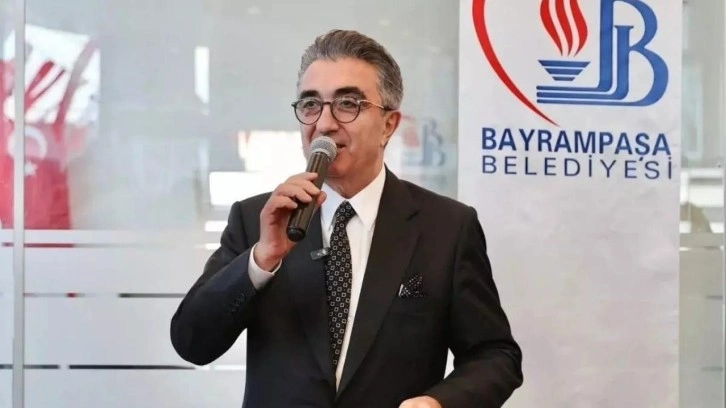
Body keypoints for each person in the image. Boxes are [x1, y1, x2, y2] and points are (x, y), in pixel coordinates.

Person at [170, 29, 523, 408]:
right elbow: (193, 343)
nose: (324, 123)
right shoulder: (258, 218)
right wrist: (262, 259)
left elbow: (495, 356)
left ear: (388, 124)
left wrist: (439, 403)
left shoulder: (447, 228)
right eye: (311, 105)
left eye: (348, 104)